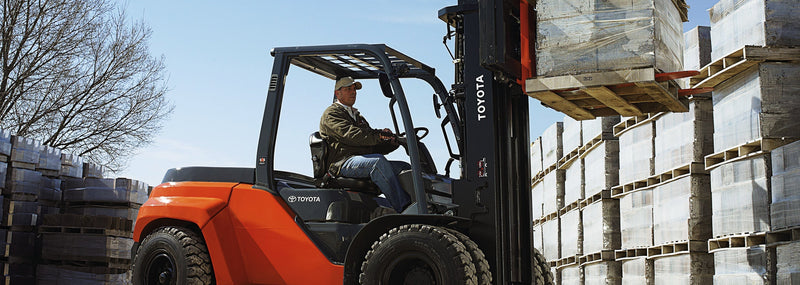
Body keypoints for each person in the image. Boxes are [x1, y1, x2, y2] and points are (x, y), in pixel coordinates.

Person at [319, 76, 412, 212]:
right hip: (342, 162)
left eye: (354, 89)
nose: (353, 92)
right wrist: (378, 135)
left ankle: (421, 204)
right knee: (377, 163)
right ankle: (405, 209)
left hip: (361, 160)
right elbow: (352, 135)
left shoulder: (358, 117)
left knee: (405, 167)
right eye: (349, 89)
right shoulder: (332, 114)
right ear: (337, 93)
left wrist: (391, 142)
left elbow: (371, 144)